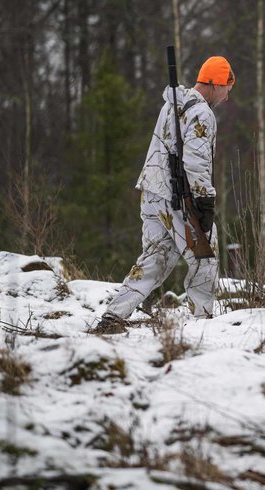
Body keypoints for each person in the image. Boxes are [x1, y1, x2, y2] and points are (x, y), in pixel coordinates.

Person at [93, 56, 234, 333]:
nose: (227, 97)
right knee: (205, 255)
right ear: (216, 83)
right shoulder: (202, 113)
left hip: (151, 192)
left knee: (157, 258)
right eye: (227, 89)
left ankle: (114, 314)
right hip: (177, 197)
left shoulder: (172, 105)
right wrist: (205, 200)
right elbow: (195, 161)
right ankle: (203, 325)